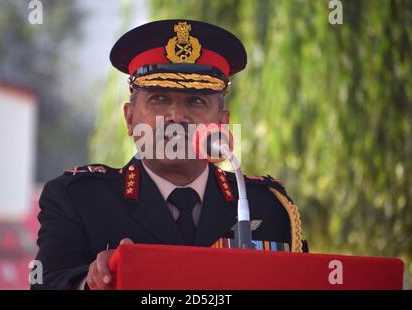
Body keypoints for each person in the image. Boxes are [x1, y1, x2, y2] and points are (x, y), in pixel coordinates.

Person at [31, 19, 306, 290]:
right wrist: (90, 283)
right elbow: (47, 284)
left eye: (196, 101)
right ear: (129, 119)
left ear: (222, 122)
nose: (176, 117)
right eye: (159, 99)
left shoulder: (268, 207)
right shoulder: (78, 200)